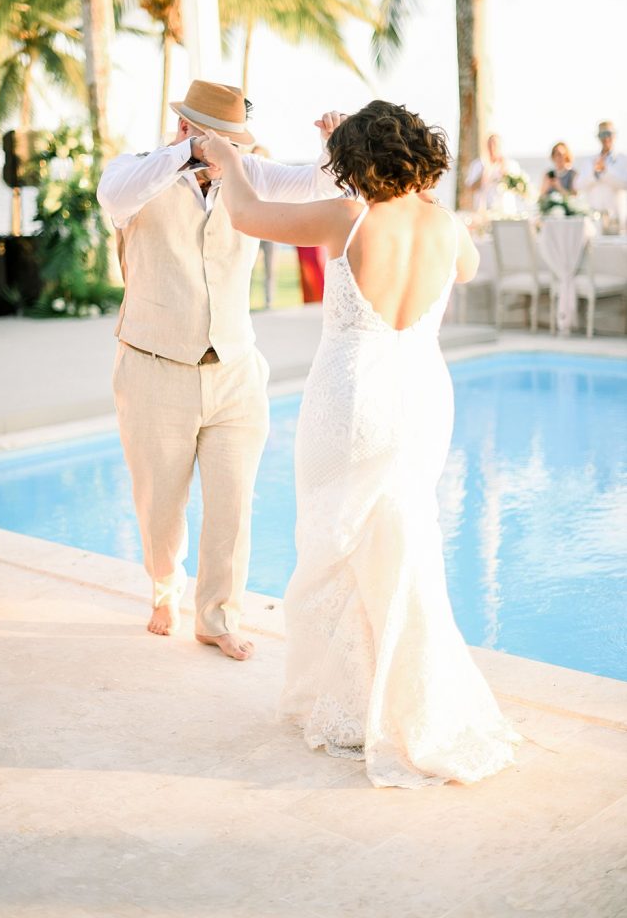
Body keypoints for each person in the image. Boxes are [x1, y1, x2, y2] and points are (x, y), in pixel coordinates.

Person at [203, 100, 520, 786]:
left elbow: (245, 213)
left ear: (354, 165)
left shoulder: (348, 217)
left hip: (350, 396)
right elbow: (462, 269)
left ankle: (349, 713)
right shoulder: (444, 224)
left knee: (335, 543)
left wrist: (227, 161)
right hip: (420, 396)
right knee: (402, 539)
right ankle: (406, 704)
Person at [97, 80, 344, 660]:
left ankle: (216, 616)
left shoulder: (249, 174)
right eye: (220, 140)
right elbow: (114, 198)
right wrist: (190, 154)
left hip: (234, 368)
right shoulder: (135, 173)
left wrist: (337, 146)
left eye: (235, 141)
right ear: (186, 130)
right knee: (160, 506)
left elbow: (316, 185)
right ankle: (165, 589)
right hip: (154, 365)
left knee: (233, 504)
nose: (231, 151)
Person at [576, 121, 627, 232]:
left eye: (608, 133)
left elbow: (624, 184)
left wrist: (606, 171)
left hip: (616, 217)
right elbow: (578, 186)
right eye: (602, 135)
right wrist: (594, 174)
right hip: (594, 217)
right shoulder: (589, 161)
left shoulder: (623, 160)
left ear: (614, 135)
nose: (605, 138)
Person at [465, 133, 520, 213]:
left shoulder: (511, 165)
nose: (492, 148)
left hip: (506, 211)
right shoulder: (477, 165)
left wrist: (505, 170)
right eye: (490, 145)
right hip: (483, 211)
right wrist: (485, 171)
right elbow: (471, 188)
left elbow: (517, 188)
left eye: (496, 145)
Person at [252, 145, 277, 309]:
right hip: (252, 231)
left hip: (270, 232)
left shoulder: (273, 181)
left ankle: (269, 301)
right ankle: (244, 303)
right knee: (248, 270)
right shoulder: (247, 179)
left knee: (270, 268)